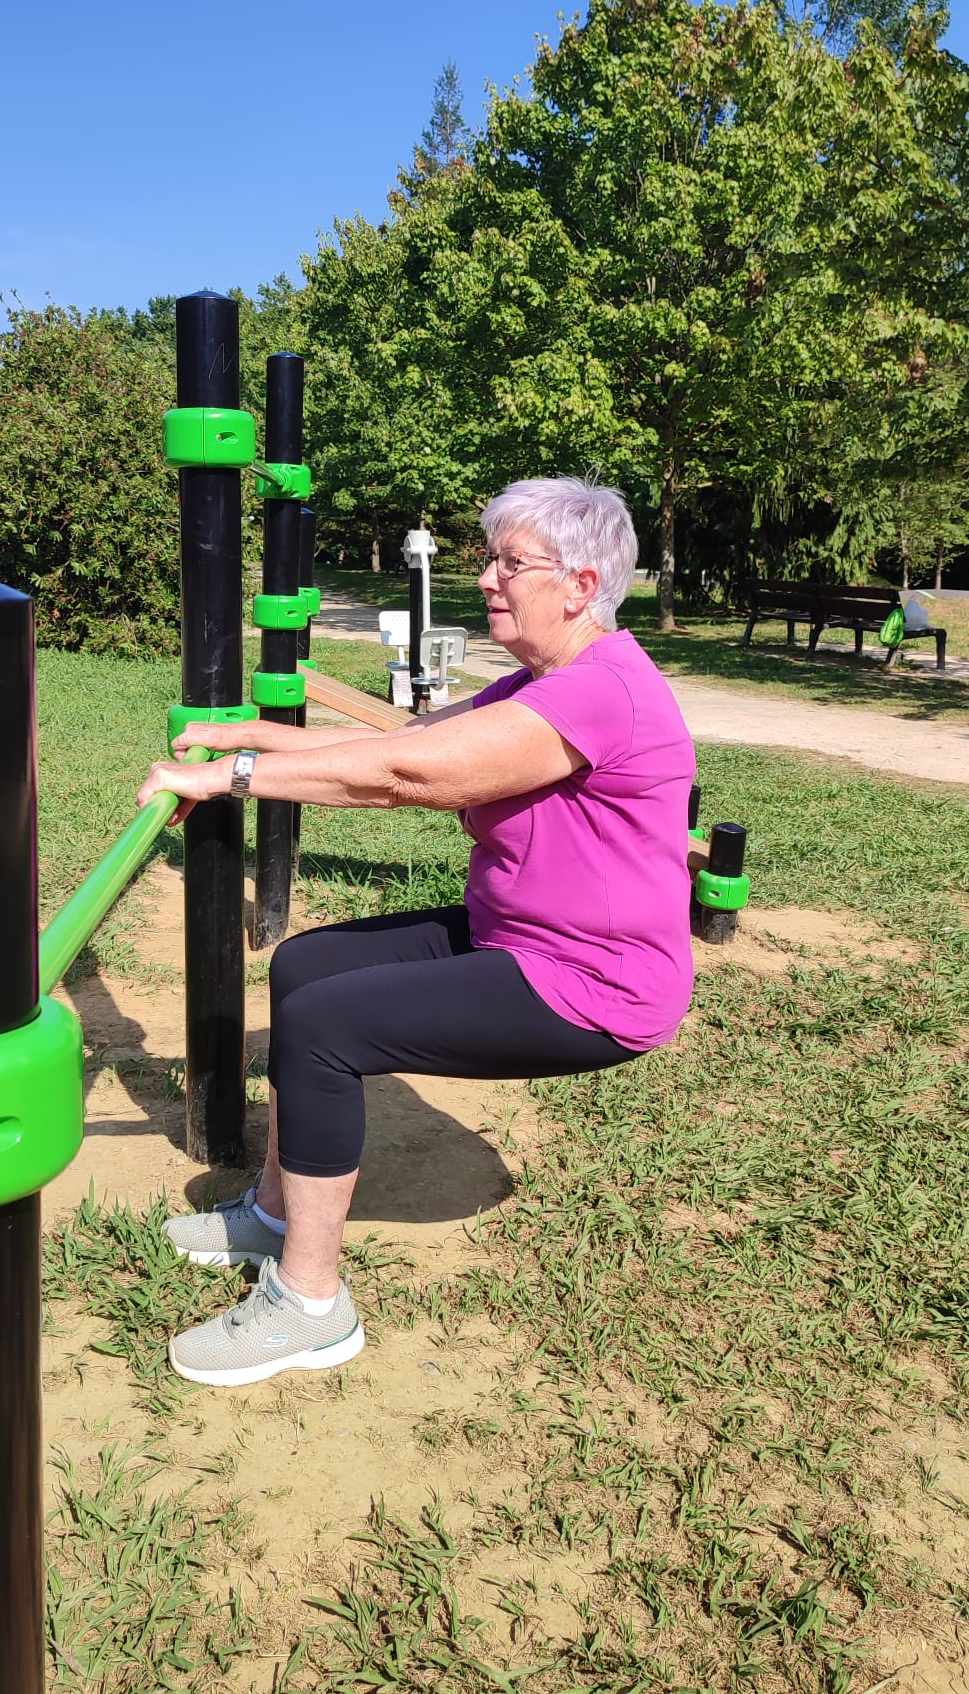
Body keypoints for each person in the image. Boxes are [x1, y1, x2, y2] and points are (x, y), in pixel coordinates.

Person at [135, 477, 696, 1388]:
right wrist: (251, 736)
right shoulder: (544, 682)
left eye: (511, 563)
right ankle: (274, 1214)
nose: (487, 578)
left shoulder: (604, 691)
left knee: (325, 1027)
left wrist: (228, 778)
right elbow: (411, 739)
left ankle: (310, 1305)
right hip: (518, 936)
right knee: (305, 966)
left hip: (596, 984)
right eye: (489, 558)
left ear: (581, 585)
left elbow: (410, 778)